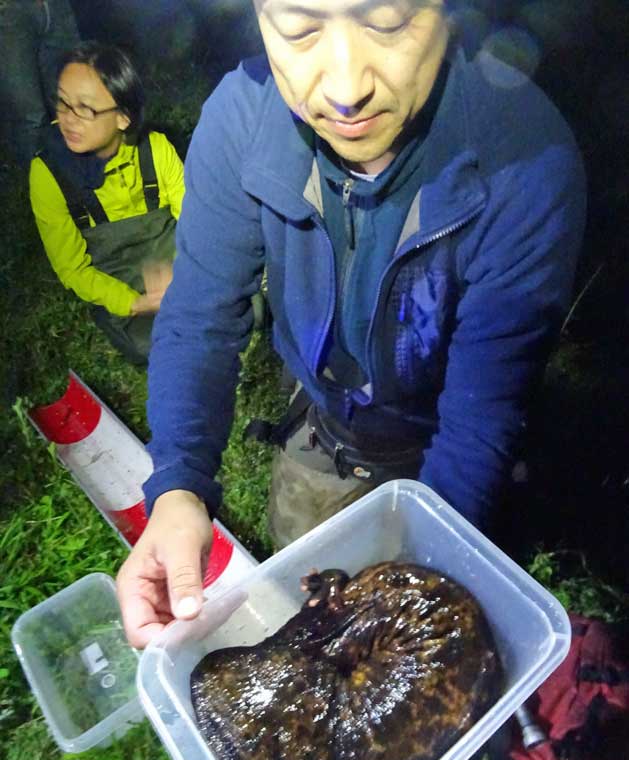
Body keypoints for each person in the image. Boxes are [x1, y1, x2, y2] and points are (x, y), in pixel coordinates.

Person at [117, 0, 586, 646]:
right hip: (327, 425)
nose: (344, 89)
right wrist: (176, 487)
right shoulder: (242, 116)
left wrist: (420, 588)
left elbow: (481, 419)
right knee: (307, 615)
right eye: (299, 28)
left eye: (388, 22)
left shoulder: (527, 162)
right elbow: (199, 315)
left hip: (441, 442)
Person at [29, 41, 184, 365]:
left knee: (245, 305)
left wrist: (187, 272)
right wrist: (134, 303)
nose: (68, 120)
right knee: (150, 344)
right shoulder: (48, 173)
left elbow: (196, 219)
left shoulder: (155, 148)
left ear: (123, 118)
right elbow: (73, 269)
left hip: (172, 257)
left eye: (85, 108)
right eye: (62, 102)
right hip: (114, 277)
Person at [0, 0, 80, 168]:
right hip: (10, 12)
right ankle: (43, 180)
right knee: (30, 115)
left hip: (57, 7)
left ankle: (83, 175)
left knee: (73, 97)